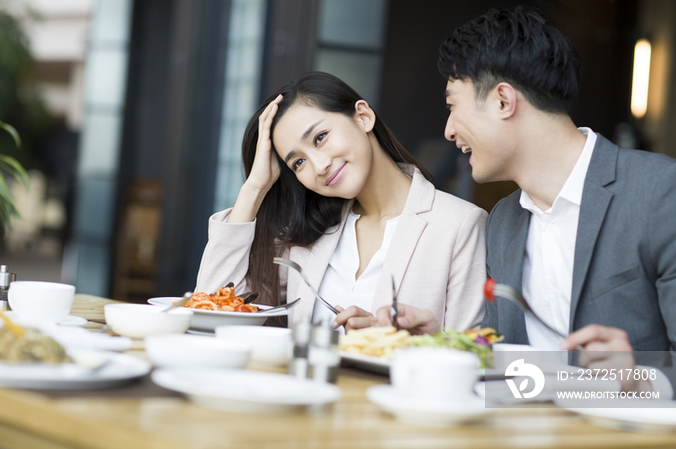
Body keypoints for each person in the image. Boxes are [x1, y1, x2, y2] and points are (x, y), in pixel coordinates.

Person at [377, 7, 676, 392]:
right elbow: (516, 371)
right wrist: (439, 342)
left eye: (453, 106)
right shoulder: (503, 220)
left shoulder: (660, 192)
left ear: (503, 100)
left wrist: (642, 379)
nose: (449, 131)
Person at [195, 71, 488, 332]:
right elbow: (212, 308)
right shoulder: (310, 237)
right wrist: (254, 189)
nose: (319, 166)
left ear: (363, 117)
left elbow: (473, 355)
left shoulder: (459, 225)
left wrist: (401, 343)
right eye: (298, 163)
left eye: (320, 137)